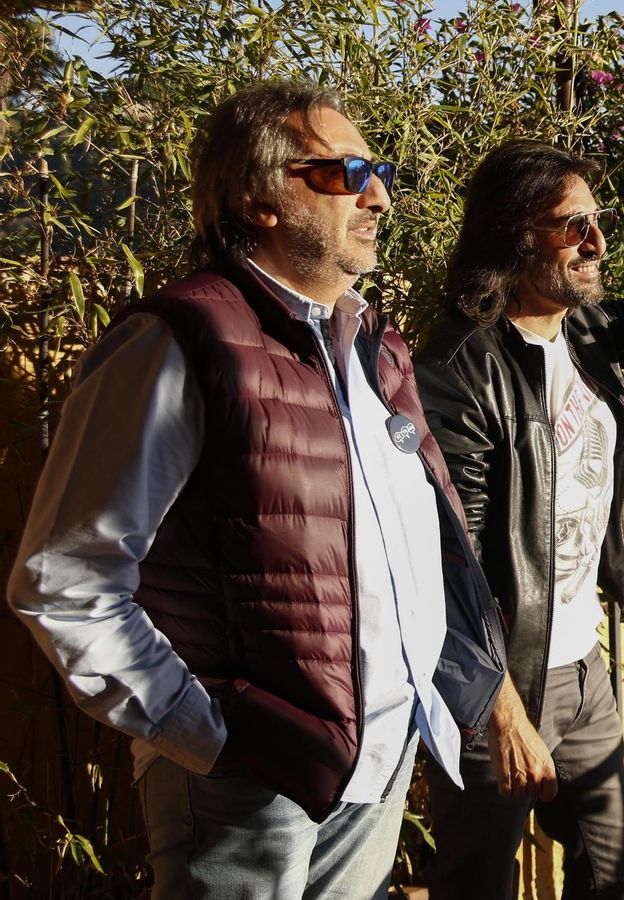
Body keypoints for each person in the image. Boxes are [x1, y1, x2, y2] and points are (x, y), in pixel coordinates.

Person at [6, 81, 503, 898]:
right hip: (250, 781)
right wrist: (211, 737)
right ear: (257, 198)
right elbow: (65, 581)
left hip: (375, 760)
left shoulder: (373, 345)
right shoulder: (181, 342)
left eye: (379, 170)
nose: (377, 194)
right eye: (346, 172)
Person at [414, 140, 624, 900]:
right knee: (474, 883)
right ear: (515, 236)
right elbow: (452, 564)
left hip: (584, 668)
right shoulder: (461, 369)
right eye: (573, 226)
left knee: (617, 871)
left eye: (599, 220)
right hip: (499, 683)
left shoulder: (584, 329)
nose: (597, 242)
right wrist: (499, 708)